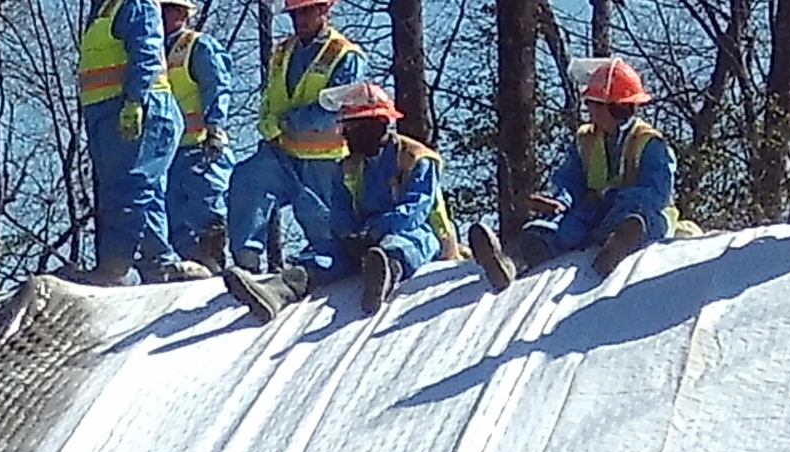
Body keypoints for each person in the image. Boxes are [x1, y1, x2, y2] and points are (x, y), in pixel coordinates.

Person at [222, 82, 447, 321]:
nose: (344, 136)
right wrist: (348, 235)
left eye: (352, 128)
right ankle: (278, 291)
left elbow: (414, 210)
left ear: (377, 125)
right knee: (324, 252)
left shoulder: (415, 158)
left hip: (411, 233)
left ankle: (385, 272)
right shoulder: (347, 166)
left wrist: (377, 231)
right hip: (363, 237)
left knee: (410, 241)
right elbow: (339, 212)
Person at [466, 56, 676, 291]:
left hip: (633, 211)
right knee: (556, 227)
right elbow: (570, 179)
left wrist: (613, 197)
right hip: (592, 211)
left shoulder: (649, 142)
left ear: (614, 107)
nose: (589, 109)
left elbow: (657, 193)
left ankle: (616, 247)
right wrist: (559, 201)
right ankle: (509, 264)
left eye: (593, 103)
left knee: (638, 220)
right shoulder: (586, 139)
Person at [223, 0, 365, 273]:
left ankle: (329, 269)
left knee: (325, 225)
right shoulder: (282, 51)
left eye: (307, 11)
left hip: (325, 160)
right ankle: (246, 262)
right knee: (248, 179)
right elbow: (270, 96)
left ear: (325, 9)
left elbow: (337, 104)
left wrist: (292, 121)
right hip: (282, 153)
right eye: (295, 13)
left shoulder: (345, 54)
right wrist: (267, 123)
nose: (299, 18)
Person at [77, 0, 207, 282]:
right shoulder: (105, 9)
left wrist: (135, 99)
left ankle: (115, 267)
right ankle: (161, 262)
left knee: (131, 190)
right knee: (136, 193)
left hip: (141, 110)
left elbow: (146, 50)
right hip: (109, 115)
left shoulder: (134, 3)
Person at [162, 0, 234, 267]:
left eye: (167, 9)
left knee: (209, 211)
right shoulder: (152, 50)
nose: (160, 15)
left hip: (201, 148)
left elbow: (217, 84)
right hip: (168, 153)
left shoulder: (197, 46)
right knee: (174, 221)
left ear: (182, 13)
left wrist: (215, 126)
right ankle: (195, 269)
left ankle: (216, 264)